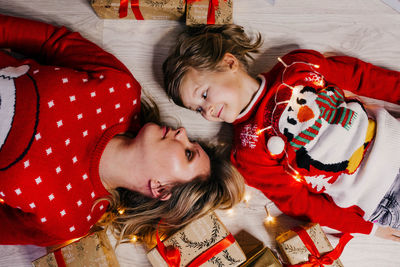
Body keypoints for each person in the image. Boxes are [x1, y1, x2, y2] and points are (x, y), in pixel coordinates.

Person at [0, 15, 245, 247]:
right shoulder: (120, 90)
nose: (181, 132)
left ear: (161, 188)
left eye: (188, 153)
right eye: (191, 141)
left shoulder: (71, 219)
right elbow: (51, 42)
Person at [163, 24, 400, 241]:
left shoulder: (295, 66)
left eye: (204, 95)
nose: (208, 110)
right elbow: (301, 203)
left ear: (229, 63)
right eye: (198, 110)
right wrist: (366, 228)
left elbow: (364, 78)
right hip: (380, 197)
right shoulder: (248, 153)